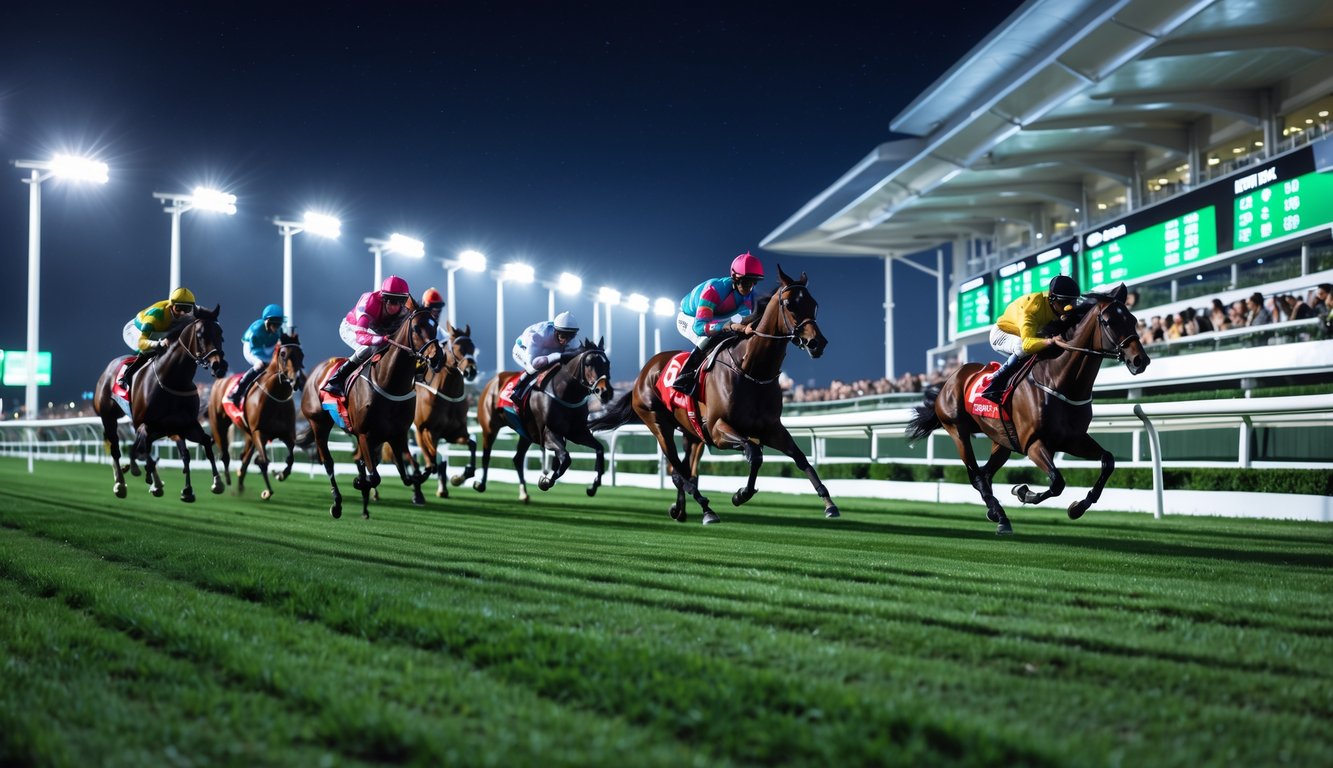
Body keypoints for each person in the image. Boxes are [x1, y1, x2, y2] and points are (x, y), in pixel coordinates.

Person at [671, 251, 764, 395]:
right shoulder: (714, 290)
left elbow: (744, 322)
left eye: (753, 282)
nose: (749, 287)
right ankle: (684, 377)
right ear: (735, 278)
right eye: (746, 282)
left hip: (716, 318)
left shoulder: (750, 295)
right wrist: (729, 326)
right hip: (690, 319)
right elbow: (699, 328)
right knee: (709, 339)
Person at [979, 274, 1079, 403]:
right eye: (1066, 303)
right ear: (1053, 300)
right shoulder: (1032, 308)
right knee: (1021, 348)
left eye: (1073, 301)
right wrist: (1051, 341)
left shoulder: (1056, 305)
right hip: (1002, 334)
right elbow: (1027, 344)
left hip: (1025, 334)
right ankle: (995, 383)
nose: (1070, 306)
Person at [320, 275, 412, 397]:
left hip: (377, 330)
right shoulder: (369, 302)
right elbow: (361, 337)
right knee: (368, 348)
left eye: (399, 302)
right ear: (383, 298)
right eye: (390, 301)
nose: (394, 307)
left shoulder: (406, 308)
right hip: (352, 328)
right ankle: (337, 379)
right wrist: (382, 339)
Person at [116, 287, 197, 391]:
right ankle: (125, 374)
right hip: (136, 331)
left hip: (162, 330)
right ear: (172, 306)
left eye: (187, 309)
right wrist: (157, 344)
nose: (182, 313)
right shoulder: (156, 316)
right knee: (149, 350)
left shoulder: (193, 311)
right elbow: (141, 343)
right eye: (178, 308)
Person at [510, 311, 580, 407]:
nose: (566, 341)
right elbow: (534, 363)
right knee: (534, 370)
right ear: (555, 331)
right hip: (523, 349)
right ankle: (517, 394)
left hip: (547, 352)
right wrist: (558, 356)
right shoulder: (539, 336)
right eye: (563, 336)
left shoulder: (573, 341)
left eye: (570, 337)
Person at [228, 304, 286, 406]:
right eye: (274, 324)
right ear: (267, 322)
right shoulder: (257, 330)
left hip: (266, 346)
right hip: (251, 348)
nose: (276, 327)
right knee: (259, 364)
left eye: (278, 325)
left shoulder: (278, 331)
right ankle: (237, 392)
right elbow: (258, 352)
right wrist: (270, 362)